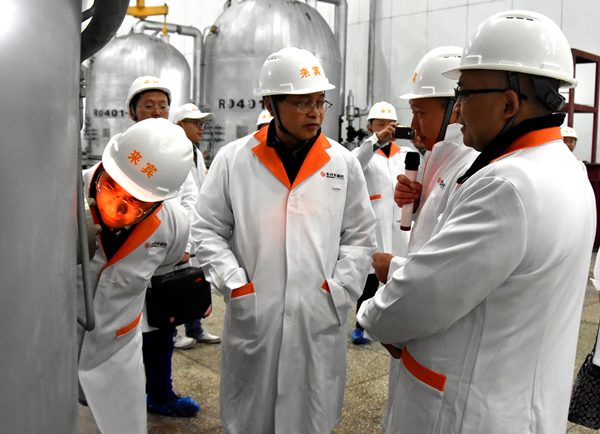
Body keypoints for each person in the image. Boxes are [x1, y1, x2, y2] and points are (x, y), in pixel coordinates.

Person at [357, 10, 596, 432]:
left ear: (509, 103)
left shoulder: (508, 185)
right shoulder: (567, 170)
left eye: (464, 94)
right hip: (520, 404)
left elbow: (424, 295)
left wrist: (372, 315)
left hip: (469, 411)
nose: (459, 110)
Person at [191, 47, 377, 434]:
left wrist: (339, 290)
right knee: (251, 417)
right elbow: (206, 228)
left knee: (310, 415)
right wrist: (234, 284)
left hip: (317, 315)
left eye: (320, 102)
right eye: (302, 102)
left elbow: (360, 237)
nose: (315, 112)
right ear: (271, 104)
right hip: (255, 314)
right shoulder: (233, 159)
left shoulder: (342, 163)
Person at [77, 118, 192, 434]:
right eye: (111, 186)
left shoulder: (174, 226)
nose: (116, 206)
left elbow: (164, 268)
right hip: (54, 340)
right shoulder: (62, 195)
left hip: (116, 348)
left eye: (135, 202)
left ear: (158, 202)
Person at [125, 76, 200, 417]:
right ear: (132, 112)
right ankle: (122, 397)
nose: (157, 112)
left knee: (162, 328)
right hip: (128, 258)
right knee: (124, 334)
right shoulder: (123, 150)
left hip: (169, 257)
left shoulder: (177, 150)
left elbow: (191, 200)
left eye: (162, 106)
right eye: (148, 106)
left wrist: (185, 244)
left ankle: (161, 395)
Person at [349, 101, 411, 345]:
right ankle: (360, 326)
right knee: (370, 278)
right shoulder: (363, 153)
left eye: (391, 124)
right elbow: (355, 165)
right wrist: (376, 141)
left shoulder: (405, 154)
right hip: (374, 223)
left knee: (400, 274)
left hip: (400, 223)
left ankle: (398, 324)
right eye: (380, 124)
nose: (386, 128)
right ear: (369, 127)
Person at [170, 103, 221, 349]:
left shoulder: (196, 153)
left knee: (194, 281)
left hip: (196, 224)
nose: (201, 127)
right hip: (177, 227)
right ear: (180, 125)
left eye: (202, 123)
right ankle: (171, 331)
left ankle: (195, 328)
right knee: (172, 284)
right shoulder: (172, 152)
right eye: (195, 123)